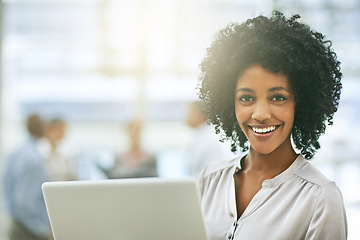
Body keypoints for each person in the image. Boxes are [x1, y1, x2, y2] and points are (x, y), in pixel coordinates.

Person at [197, 11, 347, 240]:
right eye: (246, 98)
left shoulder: (320, 199)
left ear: (301, 102)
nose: (260, 114)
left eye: (277, 97)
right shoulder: (210, 180)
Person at [2, 114, 53, 240]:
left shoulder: (16, 152)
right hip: (28, 229)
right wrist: (41, 229)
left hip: (15, 223)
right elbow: (25, 203)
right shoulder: (34, 158)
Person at [186, 101, 236, 177]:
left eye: (190, 111)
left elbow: (214, 174)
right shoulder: (201, 136)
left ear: (199, 114)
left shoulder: (209, 139)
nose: (186, 115)